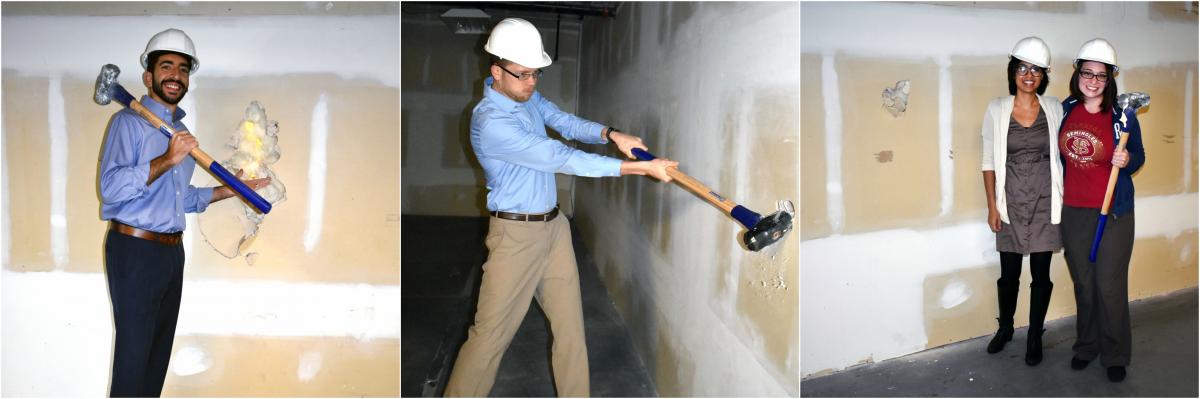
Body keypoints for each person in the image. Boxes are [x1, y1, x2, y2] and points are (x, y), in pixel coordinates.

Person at [444, 18, 677, 397]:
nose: (531, 83)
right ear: (496, 72)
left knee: (570, 330)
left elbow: (563, 122)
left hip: (554, 229)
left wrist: (611, 134)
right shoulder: (491, 123)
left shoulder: (527, 95)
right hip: (515, 237)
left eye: (535, 74)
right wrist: (638, 167)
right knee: (488, 338)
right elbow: (559, 156)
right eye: (522, 75)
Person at [98, 28, 271, 397]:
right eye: (166, 66)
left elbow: (182, 199)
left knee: (156, 356)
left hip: (171, 252)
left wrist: (231, 190)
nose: (175, 75)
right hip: (135, 250)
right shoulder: (128, 124)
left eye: (182, 68)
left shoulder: (180, 131)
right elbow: (111, 190)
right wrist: (168, 158)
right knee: (133, 357)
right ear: (149, 76)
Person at [1057, 38, 1144, 383]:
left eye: (1101, 75)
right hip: (1074, 210)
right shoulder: (1065, 108)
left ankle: (1115, 353)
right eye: (1087, 72)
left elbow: (1138, 155)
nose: (1093, 80)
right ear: (1078, 73)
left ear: (1111, 80)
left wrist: (1128, 159)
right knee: (1084, 283)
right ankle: (1086, 346)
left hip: (1113, 212)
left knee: (1109, 284)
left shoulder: (1123, 114)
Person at [980, 36, 1064, 366]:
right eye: (1022, 67)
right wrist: (991, 206)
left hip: (1046, 200)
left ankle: (1034, 335)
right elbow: (988, 161)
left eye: (1036, 70)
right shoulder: (997, 109)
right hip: (1011, 200)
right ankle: (1006, 328)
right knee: (1009, 274)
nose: (1029, 75)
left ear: (1044, 75)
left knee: (1041, 274)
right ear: (1013, 71)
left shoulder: (1055, 108)